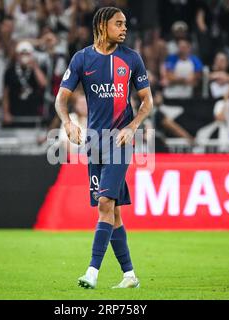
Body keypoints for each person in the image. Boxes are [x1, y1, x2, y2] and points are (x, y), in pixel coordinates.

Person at [55, 6, 153, 289]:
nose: (125, 29)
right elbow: (61, 100)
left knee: (104, 203)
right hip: (94, 143)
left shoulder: (132, 59)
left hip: (120, 143)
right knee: (115, 213)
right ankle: (130, 275)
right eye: (119, 24)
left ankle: (92, 273)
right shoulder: (82, 59)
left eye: (125, 24)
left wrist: (132, 126)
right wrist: (68, 123)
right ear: (102, 25)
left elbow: (147, 101)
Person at [3, 40, 47, 125]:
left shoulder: (37, 69)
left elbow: (43, 84)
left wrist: (35, 67)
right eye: (22, 54)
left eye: (27, 54)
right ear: (17, 55)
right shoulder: (10, 71)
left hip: (33, 112)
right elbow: (5, 94)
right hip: (15, 113)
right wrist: (6, 112)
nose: (24, 57)